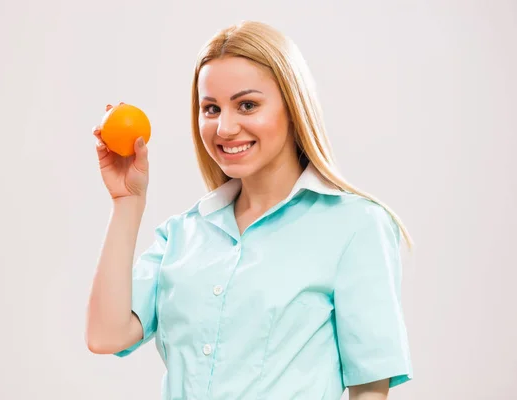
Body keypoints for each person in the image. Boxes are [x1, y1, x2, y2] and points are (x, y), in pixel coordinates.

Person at [86, 20, 413, 400]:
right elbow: (105, 335)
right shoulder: (183, 235)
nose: (224, 128)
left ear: (292, 106)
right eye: (210, 108)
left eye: (247, 105)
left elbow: (369, 388)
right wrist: (127, 202)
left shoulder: (356, 225)